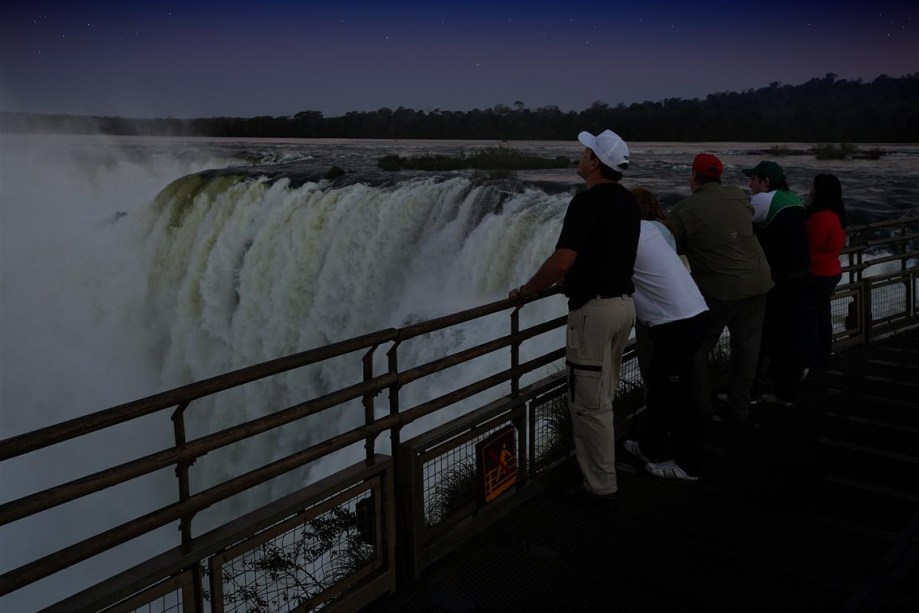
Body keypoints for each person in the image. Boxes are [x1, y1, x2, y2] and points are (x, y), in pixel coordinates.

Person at [509, 129, 639, 508]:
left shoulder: (586, 202)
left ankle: (600, 488)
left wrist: (525, 292)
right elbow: (604, 252)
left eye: (586, 151)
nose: (580, 155)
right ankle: (602, 475)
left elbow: (562, 260)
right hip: (623, 308)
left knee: (589, 403)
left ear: (596, 162)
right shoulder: (629, 202)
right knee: (603, 394)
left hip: (594, 314)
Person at [668, 153, 773, 423]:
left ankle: (702, 412)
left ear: (693, 177)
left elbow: (670, 246)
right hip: (758, 281)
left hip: (720, 289)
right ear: (719, 176)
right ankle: (740, 411)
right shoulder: (738, 195)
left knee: (697, 348)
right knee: (747, 349)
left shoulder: (685, 209)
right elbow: (744, 218)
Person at [623, 188, 710, 481]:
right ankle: (650, 446)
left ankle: (689, 465)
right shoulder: (649, 228)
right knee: (661, 389)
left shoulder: (630, 234)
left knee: (676, 396)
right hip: (689, 315)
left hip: (678, 324)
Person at [743, 160, 813, 406]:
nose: (749, 185)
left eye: (753, 180)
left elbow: (735, 222)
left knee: (760, 336)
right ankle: (785, 392)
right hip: (802, 277)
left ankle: (749, 394)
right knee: (790, 336)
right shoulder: (793, 199)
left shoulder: (764, 200)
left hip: (779, 282)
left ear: (766, 182)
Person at [805, 173, 847, 372]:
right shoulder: (836, 215)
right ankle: (821, 359)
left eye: (813, 187)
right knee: (823, 318)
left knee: (811, 320)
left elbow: (808, 248)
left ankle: (811, 361)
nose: (809, 191)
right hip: (831, 271)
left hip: (817, 273)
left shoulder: (819, 217)